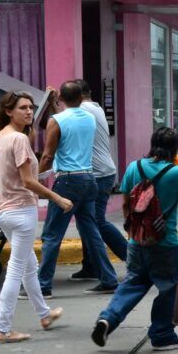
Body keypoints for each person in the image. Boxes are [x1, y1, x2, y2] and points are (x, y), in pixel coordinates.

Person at [91, 127, 178, 350]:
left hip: (136, 241)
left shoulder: (134, 167)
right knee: (169, 288)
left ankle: (108, 318)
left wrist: (132, 233)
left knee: (133, 282)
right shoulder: (177, 172)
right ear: (175, 148)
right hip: (165, 242)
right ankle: (162, 334)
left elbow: (126, 203)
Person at [0, 92, 70, 343]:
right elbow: (26, 181)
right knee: (16, 269)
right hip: (21, 212)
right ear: (8, 111)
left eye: (31, 108)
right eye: (22, 108)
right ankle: (3, 329)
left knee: (28, 265)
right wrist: (57, 198)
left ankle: (44, 315)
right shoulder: (18, 139)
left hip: (2, 211)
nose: (29, 112)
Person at [37, 81, 119, 297]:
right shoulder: (89, 118)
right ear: (81, 98)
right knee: (91, 231)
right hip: (89, 179)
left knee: (52, 235)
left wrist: (36, 179)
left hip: (67, 181)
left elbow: (47, 155)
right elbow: (69, 122)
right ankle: (109, 279)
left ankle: (43, 286)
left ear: (61, 98)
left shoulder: (57, 120)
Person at [73, 80, 128, 283]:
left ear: (77, 96)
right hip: (101, 171)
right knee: (86, 221)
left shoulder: (85, 109)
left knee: (96, 220)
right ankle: (91, 265)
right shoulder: (94, 107)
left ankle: (132, 259)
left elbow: (60, 123)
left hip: (99, 174)